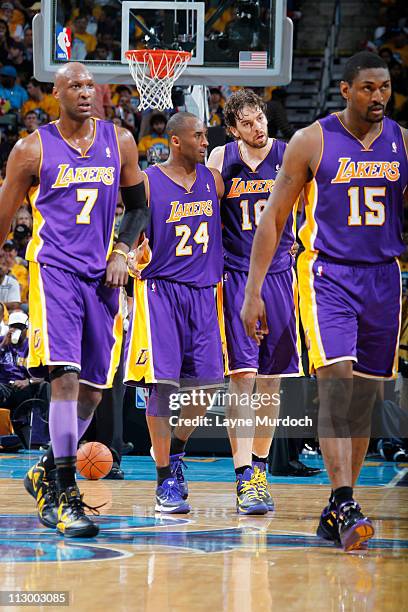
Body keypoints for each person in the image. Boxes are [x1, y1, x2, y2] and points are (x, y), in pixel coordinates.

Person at [241, 51, 407, 551]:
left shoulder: (402, 143)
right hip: (326, 274)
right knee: (335, 383)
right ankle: (343, 497)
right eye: (368, 88)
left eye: (385, 88)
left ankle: (340, 505)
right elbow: (272, 218)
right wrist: (253, 293)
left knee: (364, 399)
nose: (378, 96)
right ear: (345, 90)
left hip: (384, 276)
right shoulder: (313, 140)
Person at [0, 62, 148, 537]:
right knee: (64, 375)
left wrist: (123, 250)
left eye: (91, 86)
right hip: (55, 273)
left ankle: (45, 469)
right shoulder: (31, 149)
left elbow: (140, 206)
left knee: (94, 389)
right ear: (55, 94)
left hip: (103, 277)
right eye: (75, 86)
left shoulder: (120, 141)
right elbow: (4, 216)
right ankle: (64, 492)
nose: (86, 93)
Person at [207, 89, 303, 515]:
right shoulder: (219, 160)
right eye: (246, 122)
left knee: (272, 380)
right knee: (242, 377)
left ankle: (261, 469)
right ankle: (244, 474)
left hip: (281, 274)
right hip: (236, 275)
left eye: (259, 117)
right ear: (232, 129)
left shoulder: (289, 152)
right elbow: (199, 211)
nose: (257, 126)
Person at [125, 111, 224, 514]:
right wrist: (131, 254)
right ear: (176, 141)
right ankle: (165, 478)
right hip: (160, 293)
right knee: (162, 387)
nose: (205, 141)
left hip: (204, 292)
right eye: (199, 135)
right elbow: (131, 228)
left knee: (206, 388)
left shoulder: (214, 181)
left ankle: (175, 449)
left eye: (206, 135)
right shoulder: (148, 182)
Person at [0, 310, 49, 448]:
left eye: (20, 327)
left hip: (25, 387)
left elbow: (43, 374)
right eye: (13, 327)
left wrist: (28, 381)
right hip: (3, 386)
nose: (16, 330)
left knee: (44, 387)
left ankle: (40, 439)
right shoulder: (2, 342)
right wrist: (3, 344)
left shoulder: (32, 347)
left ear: (26, 329)